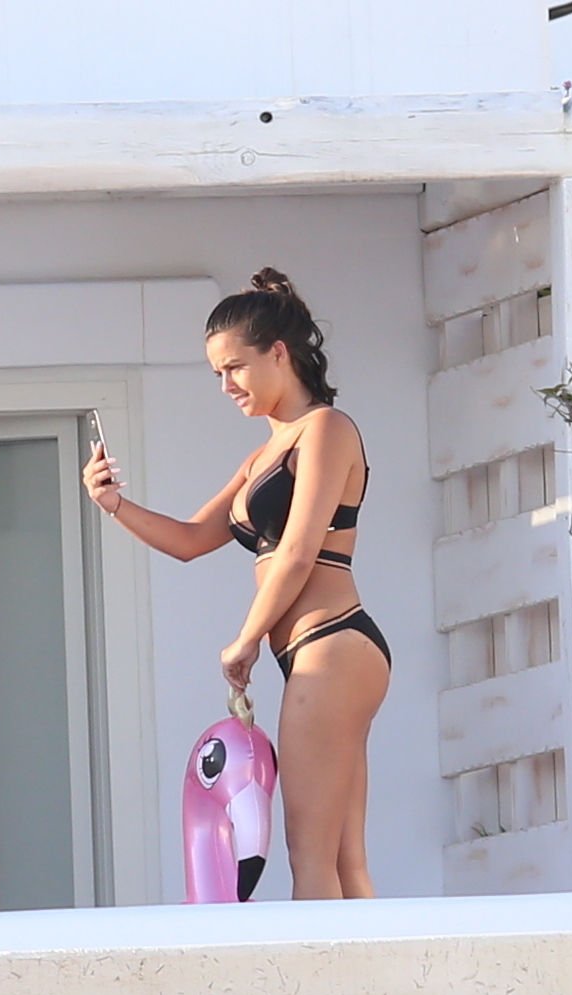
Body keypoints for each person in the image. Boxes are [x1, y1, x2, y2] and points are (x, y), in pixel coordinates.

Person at [82, 268, 391, 900]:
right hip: (315, 651)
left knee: (312, 859)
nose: (226, 386)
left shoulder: (326, 429)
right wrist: (113, 504)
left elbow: (299, 552)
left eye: (235, 368)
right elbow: (191, 540)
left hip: (331, 643)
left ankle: (323, 969)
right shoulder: (261, 457)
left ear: (279, 353)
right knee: (342, 859)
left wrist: (245, 640)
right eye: (217, 374)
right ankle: (377, 967)